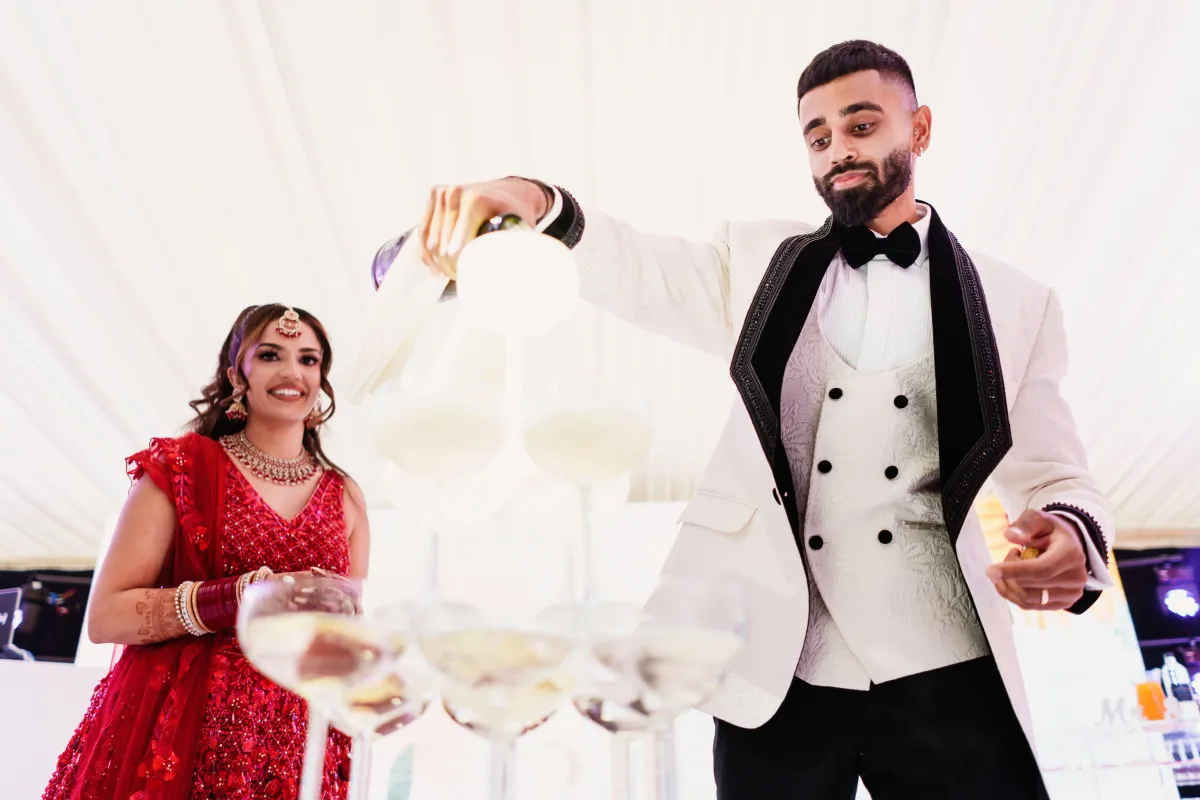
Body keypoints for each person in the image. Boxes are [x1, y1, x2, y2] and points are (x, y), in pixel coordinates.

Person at [364, 40, 1115, 799]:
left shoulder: (1019, 302)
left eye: (860, 126)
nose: (837, 151)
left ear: (919, 129)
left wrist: (1070, 533)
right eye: (817, 138)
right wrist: (538, 201)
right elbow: (634, 266)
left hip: (947, 667)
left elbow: (1056, 473)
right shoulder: (757, 261)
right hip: (777, 661)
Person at [43, 304, 370, 800]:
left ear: (322, 378)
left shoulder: (345, 494)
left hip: (298, 748)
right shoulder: (183, 469)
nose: (291, 372)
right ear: (236, 372)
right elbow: (106, 617)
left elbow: (349, 632)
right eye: (270, 355)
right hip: (176, 736)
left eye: (308, 359)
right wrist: (245, 596)